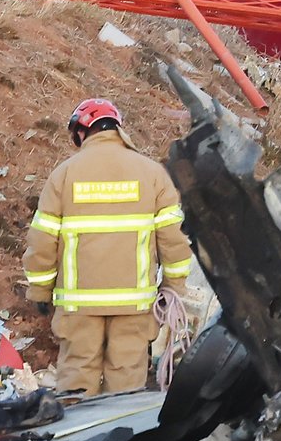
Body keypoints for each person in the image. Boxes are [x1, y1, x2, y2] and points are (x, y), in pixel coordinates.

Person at [23, 99, 193, 395]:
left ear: (81, 131)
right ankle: (123, 439)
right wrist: (173, 288)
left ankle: (78, 439)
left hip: (78, 305)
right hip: (134, 304)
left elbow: (42, 241)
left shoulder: (64, 174)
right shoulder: (153, 174)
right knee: (126, 387)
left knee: (76, 382)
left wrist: (40, 291)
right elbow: (174, 242)